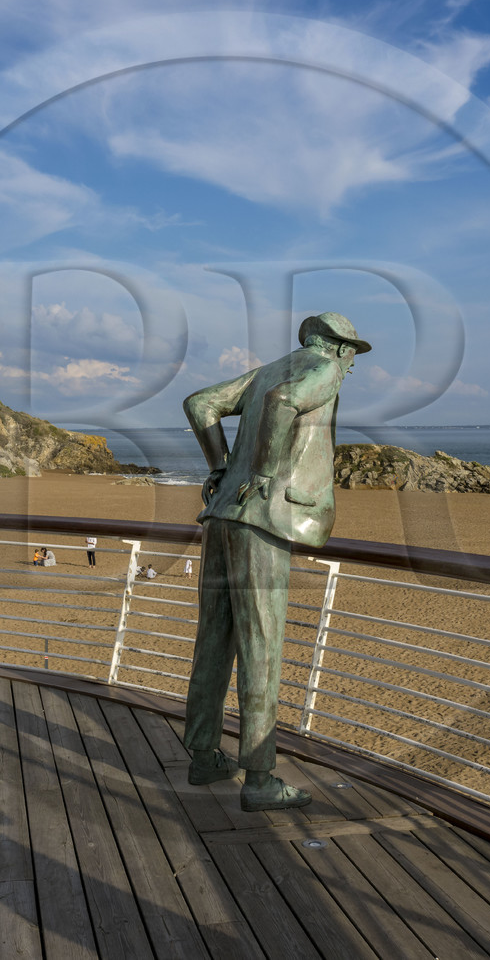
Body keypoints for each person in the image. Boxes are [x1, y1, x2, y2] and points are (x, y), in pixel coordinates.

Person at [182, 311, 370, 811]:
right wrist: (265, 474)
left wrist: (222, 467)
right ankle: (260, 779)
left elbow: (199, 403)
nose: (351, 364)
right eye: (352, 352)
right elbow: (283, 402)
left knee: (214, 639)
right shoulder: (321, 368)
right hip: (263, 521)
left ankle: (203, 754)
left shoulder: (269, 368)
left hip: (222, 516)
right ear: (336, 347)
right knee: (261, 646)